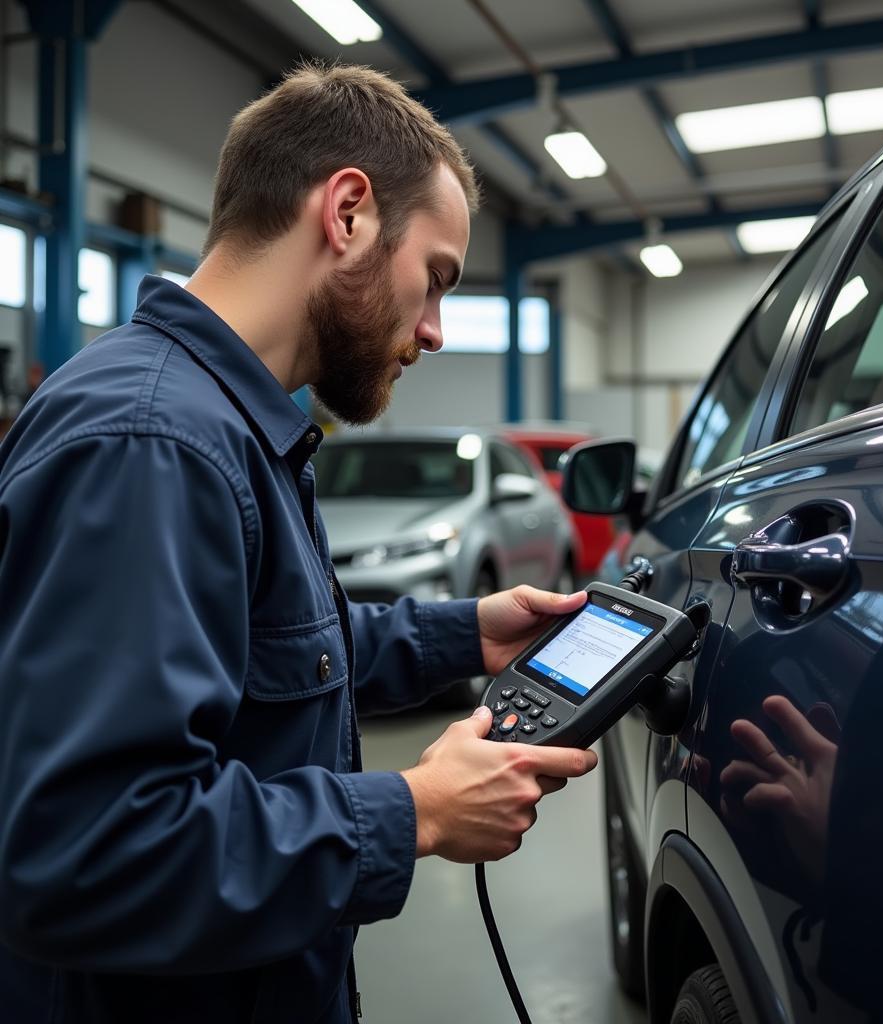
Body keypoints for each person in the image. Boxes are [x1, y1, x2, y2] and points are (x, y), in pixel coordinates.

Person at [0, 63, 597, 1024]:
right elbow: (88, 854)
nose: (437, 330)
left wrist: (467, 635)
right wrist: (417, 811)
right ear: (349, 213)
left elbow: (264, 657)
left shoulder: (232, 428)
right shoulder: (154, 444)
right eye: (436, 278)